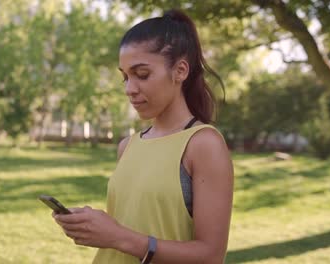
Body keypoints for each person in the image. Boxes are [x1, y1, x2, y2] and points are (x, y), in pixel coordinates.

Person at [53, 9, 234, 264]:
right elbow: (136, 224)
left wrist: (116, 236)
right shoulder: (128, 145)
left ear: (180, 71)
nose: (129, 88)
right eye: (125, 77)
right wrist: (91, 225)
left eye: (142, 75)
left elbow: (210, 256)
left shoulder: (203, 144)